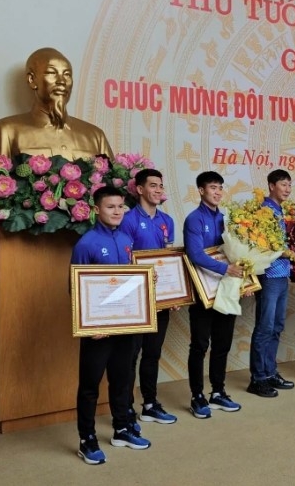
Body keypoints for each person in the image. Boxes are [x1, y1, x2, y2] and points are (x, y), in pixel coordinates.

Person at [71, 187, 150, 465]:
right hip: (98, 330)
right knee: (90, 385)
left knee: (122, 380)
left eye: (120, 207)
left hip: (125, 326)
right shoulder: (86, 243)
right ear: (96, 210)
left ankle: (122, 429)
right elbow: (76, 289)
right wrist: (90, 325)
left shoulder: (128, 239)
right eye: (110, 207)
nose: (117, 211)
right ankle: (87, 439)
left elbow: (131, 281)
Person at [183, 171, 244, 419]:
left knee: (222, 344)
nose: (217, 192)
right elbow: (195, 254)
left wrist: (244, 281)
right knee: (199, 345)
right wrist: (226, 268)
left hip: (226, 290)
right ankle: (197, 395)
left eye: (220, 188)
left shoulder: (228, 219)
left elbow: (238, 254)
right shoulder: (194, 219)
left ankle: (218, 392)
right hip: (202, 292)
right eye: (212, 188)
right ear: (201, 190)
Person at [119, 169, 177, 425]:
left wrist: (175, 292)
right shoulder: (128, 219)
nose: (158, 190)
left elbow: (169, 260)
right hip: (136, 299)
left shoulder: (167, 220)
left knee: (153, 354)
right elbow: (125, 259)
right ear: (139, 189)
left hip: (161, 299)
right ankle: (127, 409)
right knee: (131, 356)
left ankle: (150, 404)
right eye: (152, 185)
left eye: (160, 186)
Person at [0, 47, 112, 160]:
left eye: (67, 74)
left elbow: (112, 182)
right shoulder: (7, 131)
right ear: (32, 80)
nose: (62, 81)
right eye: (52, 73)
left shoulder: (95, 136)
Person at [247, 170, 295, 398]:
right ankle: (257, 378)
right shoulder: (263, 211)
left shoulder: (281, 211)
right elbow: (258, 244)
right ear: (271, 185)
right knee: (265, 327)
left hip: (282, 275)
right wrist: (281, 251)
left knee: (276, 326)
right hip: (268, 275)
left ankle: (270, 371)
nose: (287, 189)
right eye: (283, 184)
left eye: (289, 185)